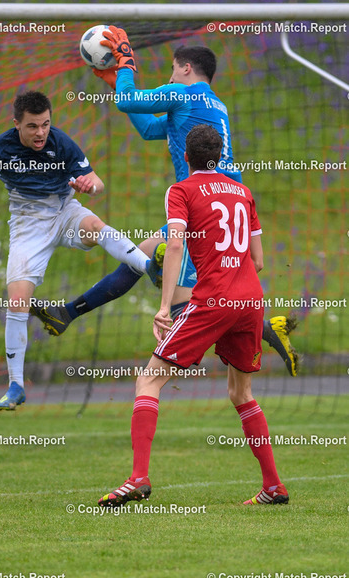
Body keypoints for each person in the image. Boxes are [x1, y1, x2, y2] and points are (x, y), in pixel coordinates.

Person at [31, 29, 298, 375]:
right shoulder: (214, 105)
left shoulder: (181, 93)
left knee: (182, 308)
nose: (169, 77)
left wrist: (126, 64)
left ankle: (161, 379)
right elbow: (148, 128)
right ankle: (66, 314)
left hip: (204, 210)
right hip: (225, 205)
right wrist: (117, 84)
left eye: (173, 69)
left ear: (186, 69)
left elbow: (129, 101)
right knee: (138, 258)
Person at [98, 124, 289, 508]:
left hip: (214, 299)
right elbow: (259, 261)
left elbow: (174, 246)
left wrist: (164, 306)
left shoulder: (181, 190)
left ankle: (138, 478)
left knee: (149, 379)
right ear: (220, 157)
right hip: (251, 300)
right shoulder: (242, 192)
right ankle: (273, 485)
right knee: (241, 393)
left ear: (185, 157)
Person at [0, 90, 163, 410]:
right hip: (27, 224)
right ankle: (16, 386)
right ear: (16, 124)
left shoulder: (61, 143)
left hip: (65, 212)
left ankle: (149, 267)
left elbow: (97, 182)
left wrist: (90, 186)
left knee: (95, 226)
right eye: (33, 126)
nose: (41, 133)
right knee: (17, 301)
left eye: (45, 124)